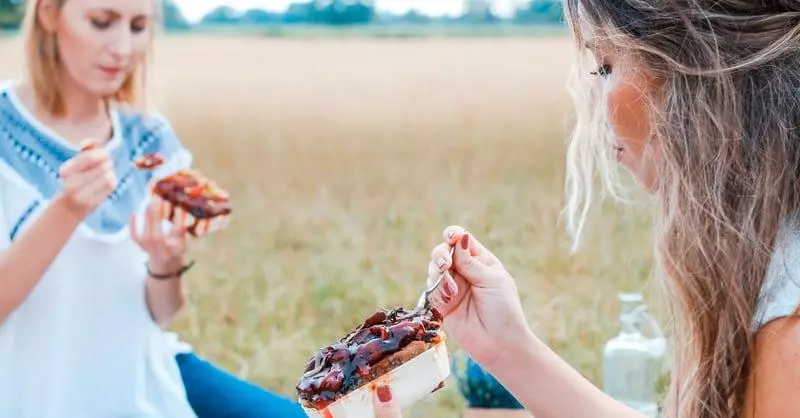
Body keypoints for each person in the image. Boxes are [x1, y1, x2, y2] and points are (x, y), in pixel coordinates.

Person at [375, 1, 800, 418]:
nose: (595, 110)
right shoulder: (779, 267)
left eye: (605, 67)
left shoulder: (790, 340)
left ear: (696, 68)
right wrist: (507, 348)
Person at [0, 0, 305, 417]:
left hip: (144, 373)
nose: (123, 48)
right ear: (50, 14)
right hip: (35, 389)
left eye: (138, 26)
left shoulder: (151, 140)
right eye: (102, 22)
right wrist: (67, 210)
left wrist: (166, 264)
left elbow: (161, 312)